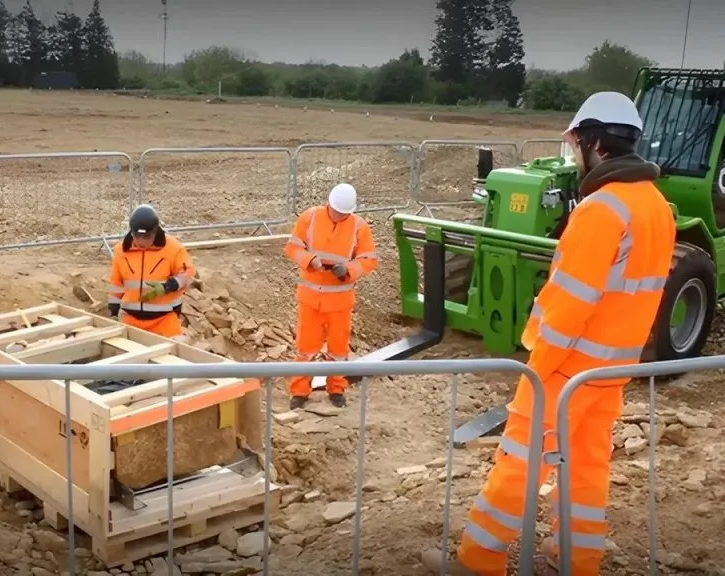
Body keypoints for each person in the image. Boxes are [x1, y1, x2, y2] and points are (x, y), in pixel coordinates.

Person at [422, 92, 676, 575]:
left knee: (520, 460)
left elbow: (568, 304)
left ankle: (478, 559)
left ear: (595, 143)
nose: (574, 155)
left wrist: (534, 371)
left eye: (576, 144)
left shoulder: (603, 208)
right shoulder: (656, 208)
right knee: (585, 467)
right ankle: (578, 561)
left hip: (565, 368)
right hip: (611, 370)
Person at [284, 183, 378, 409]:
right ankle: (299, 392)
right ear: (329, 204)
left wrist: (348, 270)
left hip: (340, 301)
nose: (339, 217)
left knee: (338, 349)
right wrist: (309, 261)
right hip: (310, 299)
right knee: (306, 349)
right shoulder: (311, 217)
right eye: (337, 212)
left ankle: (336, 389)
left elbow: (369, 260)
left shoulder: (359, 227)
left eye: (344, 214)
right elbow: (292, 248)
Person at [107, 204, 195, 341]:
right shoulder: (121, 251)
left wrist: (168, 286)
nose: (142, 241)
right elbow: (116, 284)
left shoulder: (173, 248)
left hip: (164, 321)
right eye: (137, 236)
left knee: (173, 358)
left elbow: (187, 273)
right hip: (131, 320)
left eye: (147, 236)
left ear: (155, 232)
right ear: (132, 232)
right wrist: (113, 311)